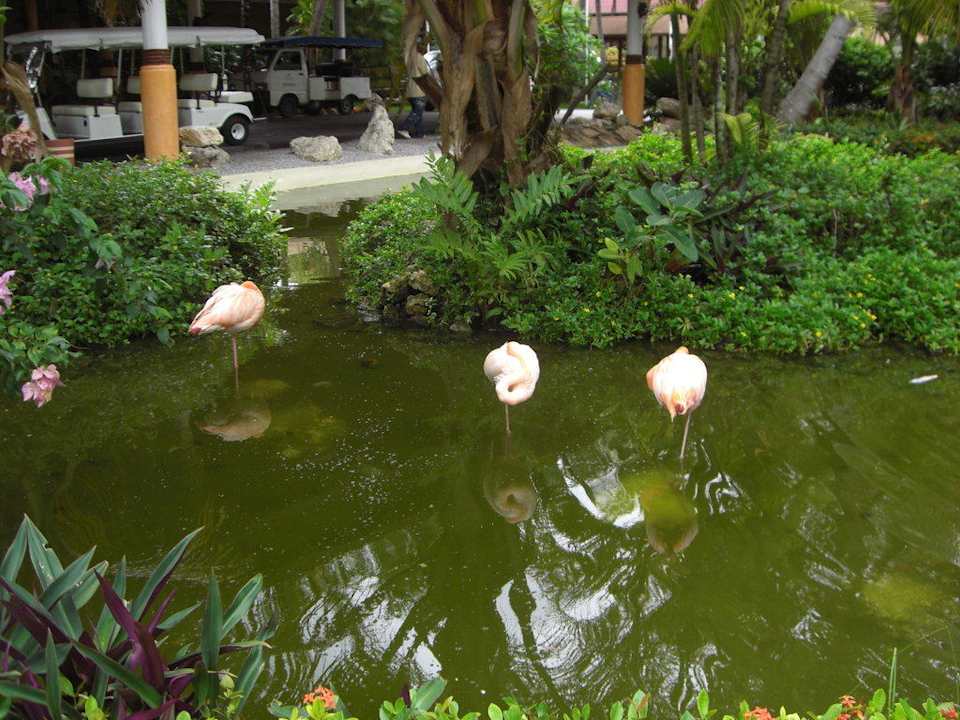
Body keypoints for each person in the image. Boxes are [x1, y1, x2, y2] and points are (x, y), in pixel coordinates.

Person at [396, 46, 430, 139]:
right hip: (418, 89)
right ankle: (404, 128)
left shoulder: (408, 58)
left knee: (418, 110)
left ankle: (418, 133)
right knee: (417, 111)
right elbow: (425, 72)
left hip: (410, 89)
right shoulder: (419, 57)